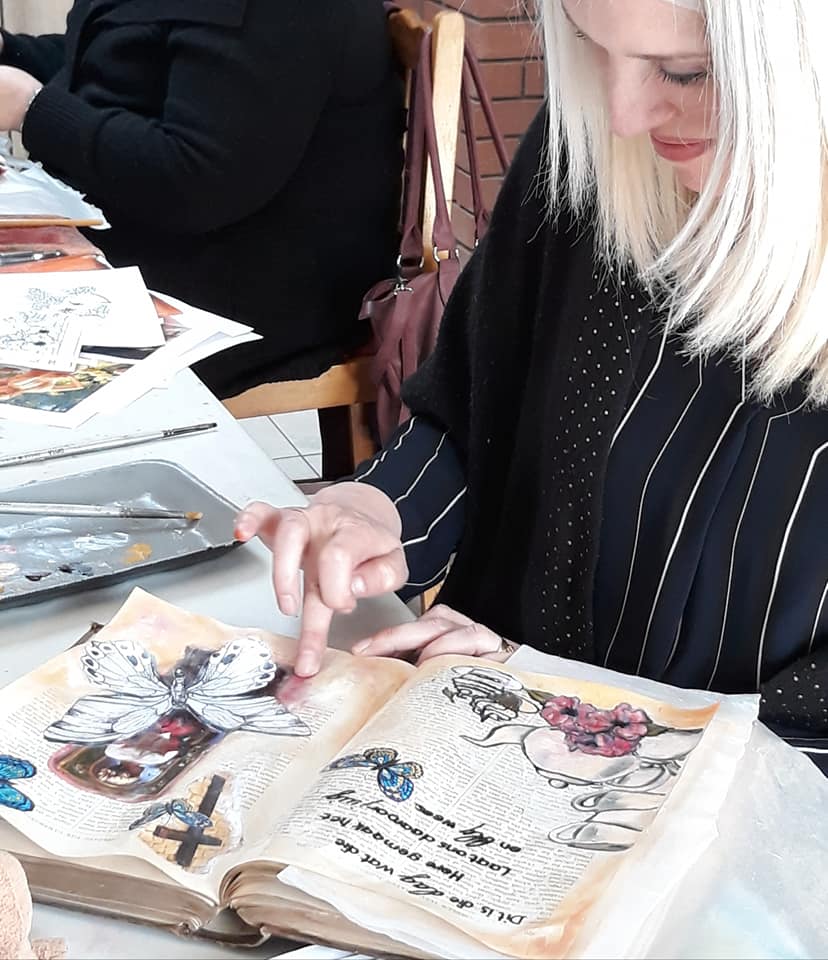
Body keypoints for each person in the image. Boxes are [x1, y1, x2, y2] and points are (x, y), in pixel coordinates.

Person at [238, 0, 828, 768]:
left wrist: (566, 710)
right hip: (469, 744)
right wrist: (376, 510)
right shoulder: (585, 147)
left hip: (733, 804)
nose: (622, 114)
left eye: (686, 71)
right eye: (590, 47)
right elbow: (472, 408)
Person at [0, 0, 403, 398]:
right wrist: (12, 53)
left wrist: (33, 108)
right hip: (154, 227)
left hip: (253, 279)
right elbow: (120, 62)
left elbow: (197, 181)